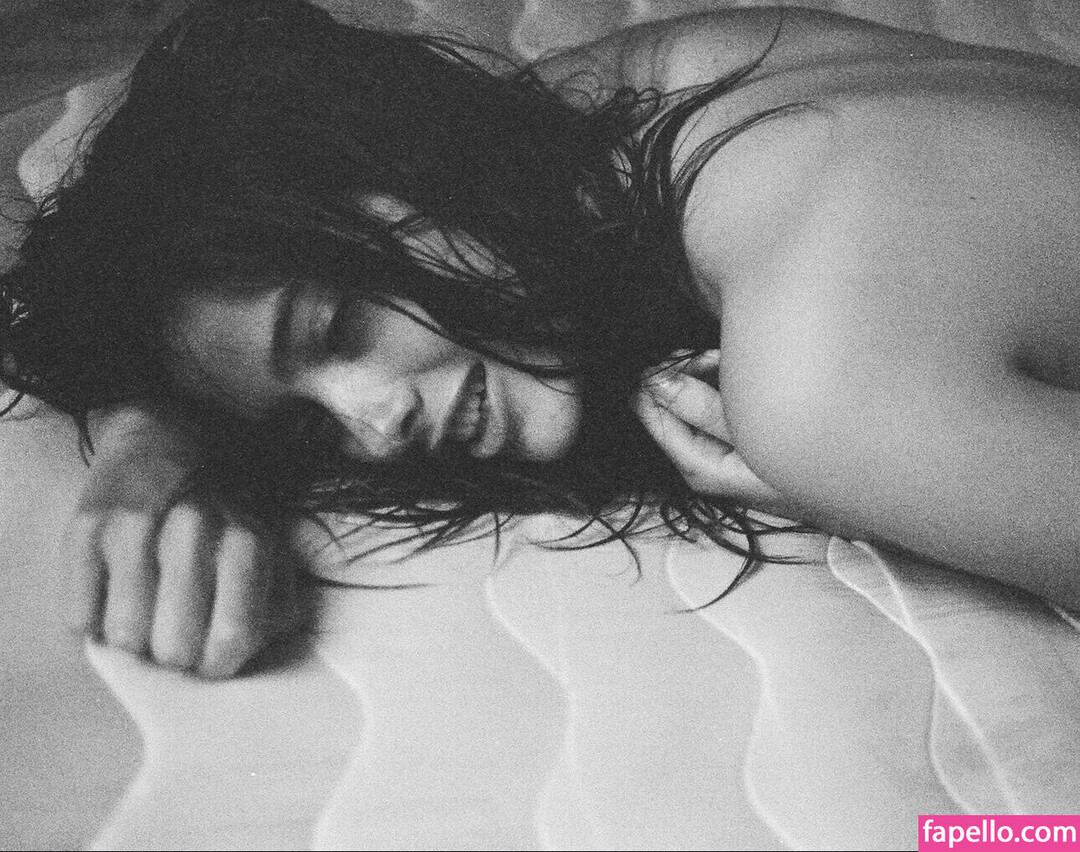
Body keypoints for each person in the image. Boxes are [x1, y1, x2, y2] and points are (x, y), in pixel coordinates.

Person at [3, 0, 1079, 678]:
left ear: (419, 158)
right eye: (307, 424)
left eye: (339, 326)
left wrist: (864, 481)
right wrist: (159, 434)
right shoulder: (665, 81)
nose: (373, 430)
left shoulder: (814, 392)